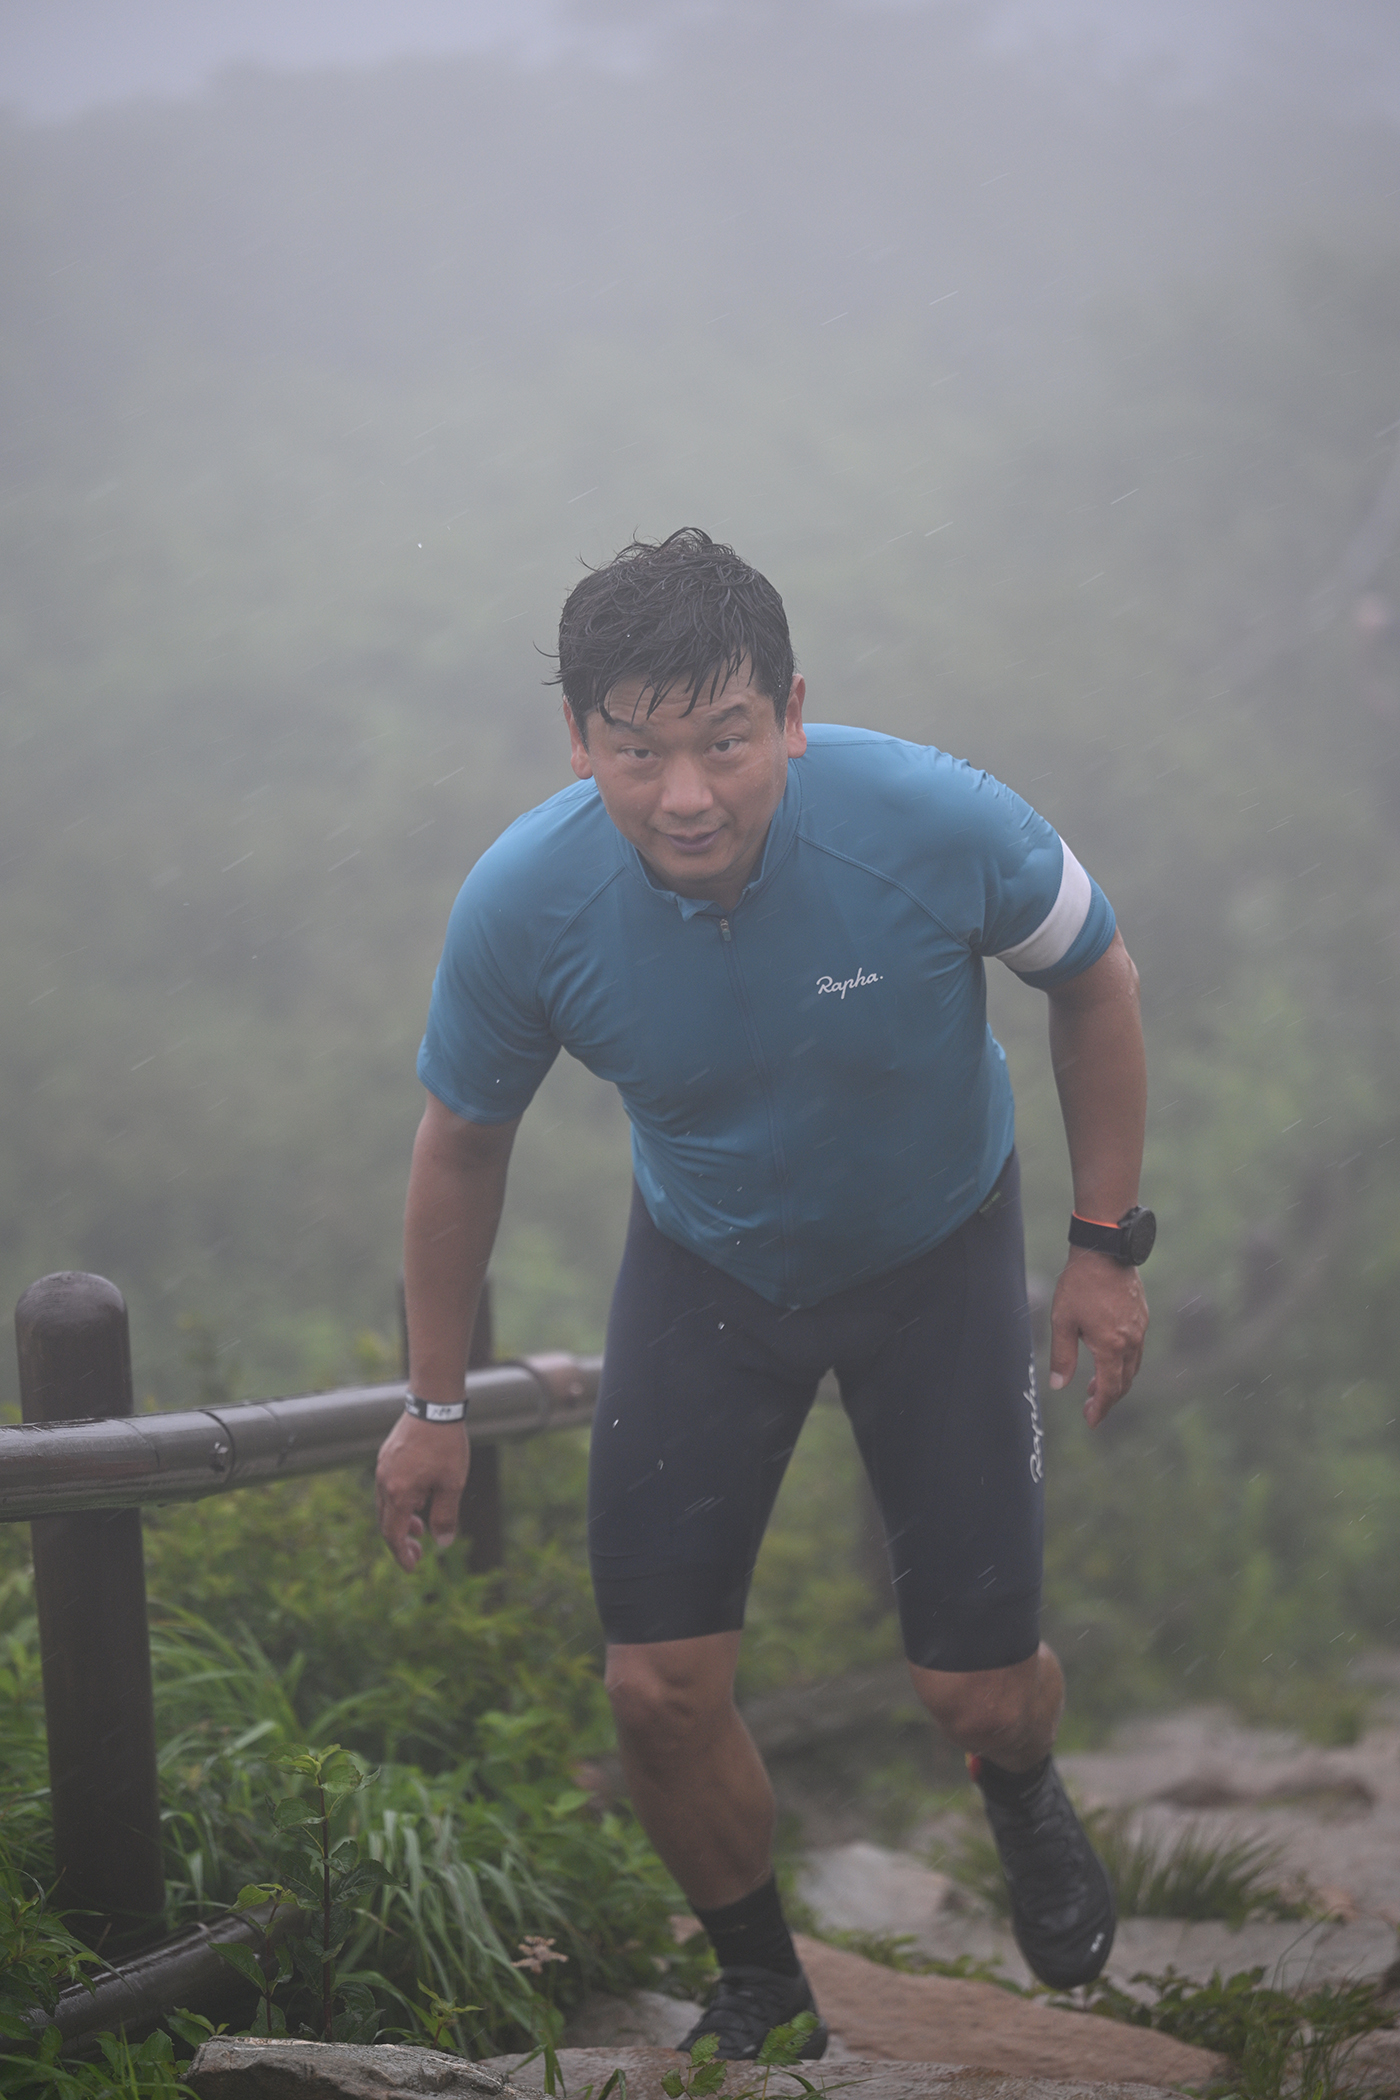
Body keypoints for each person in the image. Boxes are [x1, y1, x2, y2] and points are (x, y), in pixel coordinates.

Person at [376, 528, 1151, 2061]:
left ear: (791, 713)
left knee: (976, 1691)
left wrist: (1103, 1246)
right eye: (638, 751)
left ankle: (1017, 1780)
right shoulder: (526, 901)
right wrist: (433, 1406)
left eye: (725, 742)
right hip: (711, 1270)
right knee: (657, 1691)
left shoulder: (928, 819)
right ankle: (760, 1985)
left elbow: (1097, 978)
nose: (687, 794)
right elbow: (461, 1143)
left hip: (939, 1255)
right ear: (578, 740)